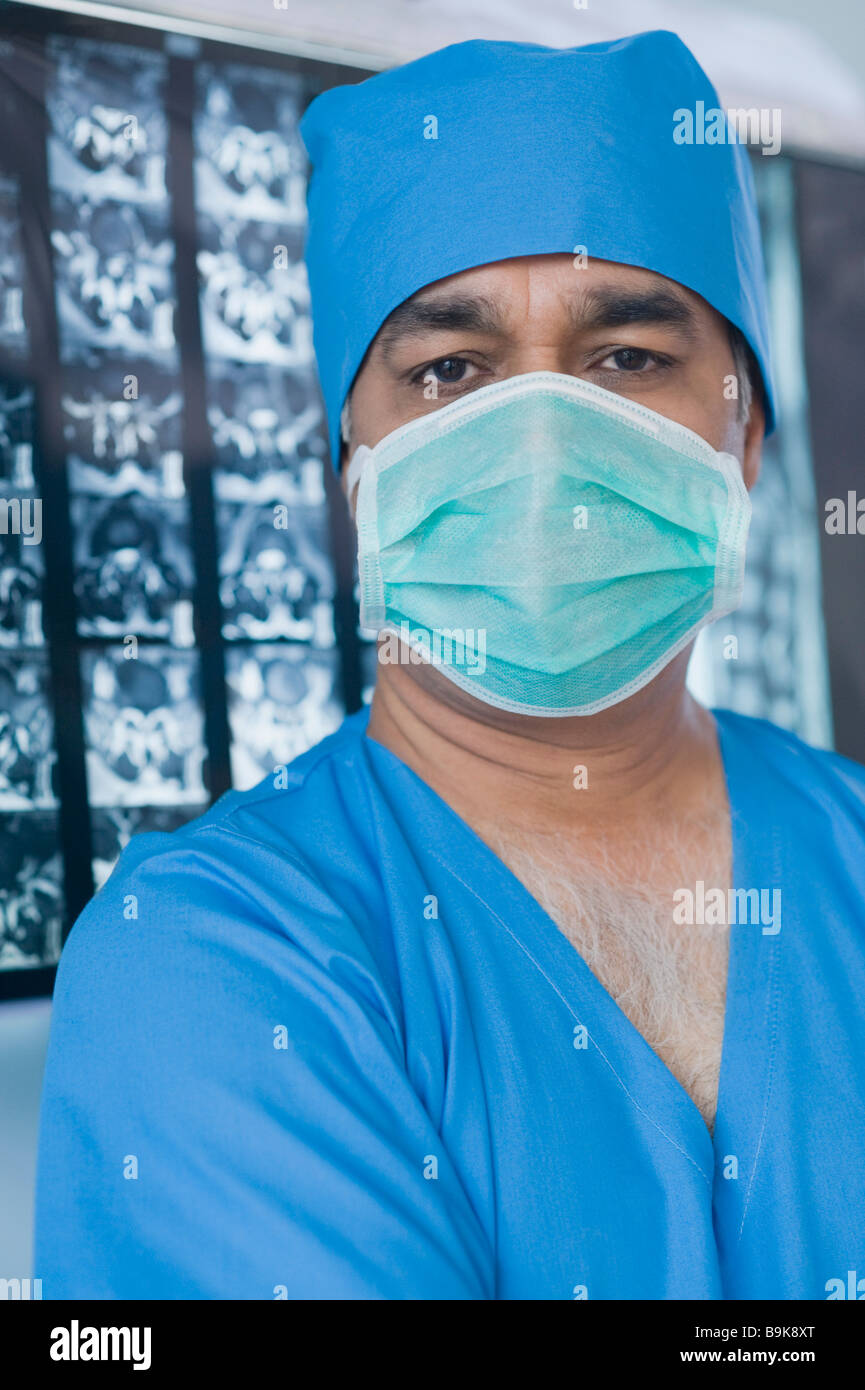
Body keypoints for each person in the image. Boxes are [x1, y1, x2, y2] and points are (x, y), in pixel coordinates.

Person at [34, 30, 865, 1300]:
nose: (541, 441)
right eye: (450, 371)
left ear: (741, 432)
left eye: (626, 358)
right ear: (351, 465)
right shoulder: (209, 953)